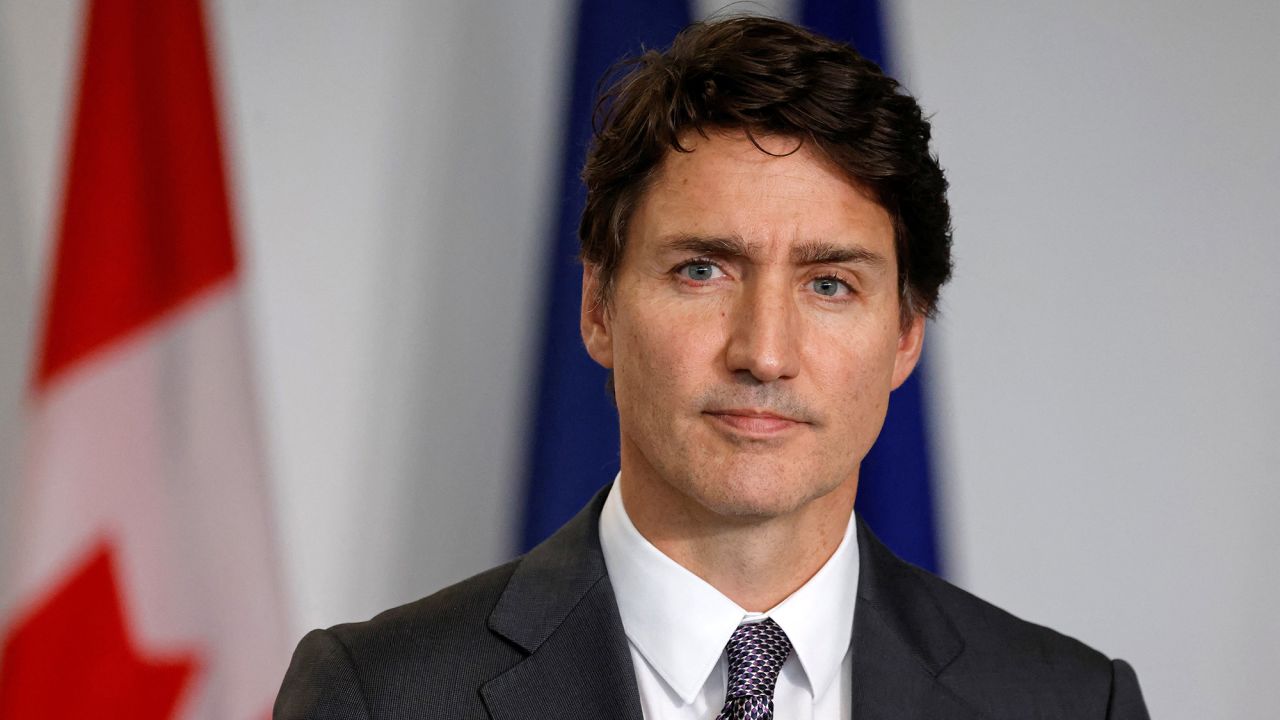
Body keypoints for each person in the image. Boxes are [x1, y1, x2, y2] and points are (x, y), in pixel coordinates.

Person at [275, 15, 1150, 720]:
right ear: (597, 309)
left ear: (907, 335)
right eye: (703, 270)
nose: (763, 352)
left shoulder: (1071, 703)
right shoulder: (378, 698)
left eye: (831, 283)